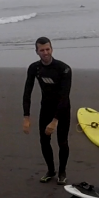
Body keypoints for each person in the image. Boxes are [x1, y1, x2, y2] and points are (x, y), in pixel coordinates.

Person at [22, 37, 72, 185]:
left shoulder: (64, 69)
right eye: (42, 50)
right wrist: (26, 116)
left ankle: (62, 172)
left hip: (62, 109)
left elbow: (64, 96)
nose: (45, 52)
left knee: (62, 142)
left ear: (52, 49)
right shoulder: (34, 68)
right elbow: (27, 92)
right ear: (36, 51)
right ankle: (51, 170)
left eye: (47, 49)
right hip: (46, 108)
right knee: (44, 141)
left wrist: (55, 121)